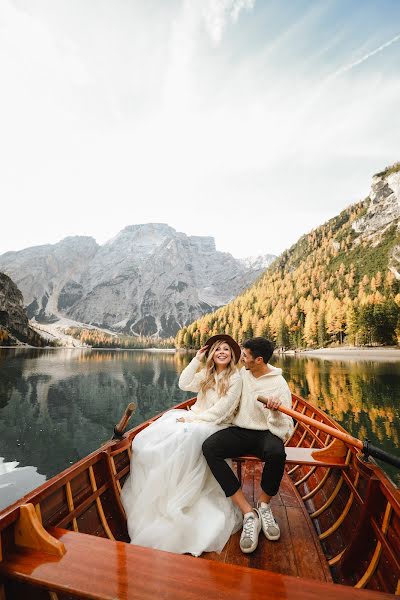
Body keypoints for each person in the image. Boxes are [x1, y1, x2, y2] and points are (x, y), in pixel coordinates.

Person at [120, 334, 243, 556]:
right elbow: (184, 383)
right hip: (195, 418)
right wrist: (196, 360)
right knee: (151, 435)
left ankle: (179, 498)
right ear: (212, 354)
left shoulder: (235, 378)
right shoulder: (208, 373)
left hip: (215, 424)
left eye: (226, 349)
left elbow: (222, 411)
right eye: (217, 350)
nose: (222, 352)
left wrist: (193, 420)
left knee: (189, 435)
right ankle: (163, 493)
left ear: (232, 354)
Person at [202, 336, 294, 554]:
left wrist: (274, 411)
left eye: (244, 356)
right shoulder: (241, 373)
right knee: (210, 448)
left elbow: (286, 427)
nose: (240, 358)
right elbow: (216, 376)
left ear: (259, 360)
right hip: (241, 429)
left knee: (277, 453)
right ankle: (247, 512)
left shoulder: (279, 384)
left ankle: (263, 505)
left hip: (266, 433)